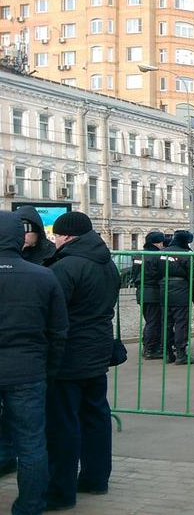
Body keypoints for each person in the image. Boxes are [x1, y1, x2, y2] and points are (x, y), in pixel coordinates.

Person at [43, 211, 120, 509]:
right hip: (97, 350)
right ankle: (96, 478)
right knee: (96, 416)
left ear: (65, 236)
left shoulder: (66, 267)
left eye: (56, 235)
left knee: (63, 422)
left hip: (69, 354)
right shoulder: (106, 262)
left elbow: (52, 312)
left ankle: (59, 491)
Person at [0, 212, 69, 515]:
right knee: (31, 444)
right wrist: (49, 370)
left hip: (26, 369)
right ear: (19, 238)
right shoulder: (43, 276)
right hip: (28, 371)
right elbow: (58, 332)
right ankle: (29, 507)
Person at [160, 231, 194, 365]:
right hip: (181, 290)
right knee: (181, 323)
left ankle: (167, 353)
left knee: (166, 322)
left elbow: (155, 270)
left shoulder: (163, 253)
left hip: (164, 289)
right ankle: (181, 354)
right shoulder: (187, 254)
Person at [134, 232, 166, 360]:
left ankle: (148, 346)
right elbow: (159, 274)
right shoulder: (157, 255)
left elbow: (134, 273)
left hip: (141, 290)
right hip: (153, 291)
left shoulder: (139, 255)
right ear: (157, 242)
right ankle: (150, 349)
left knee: (149, 320)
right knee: (154, 322)